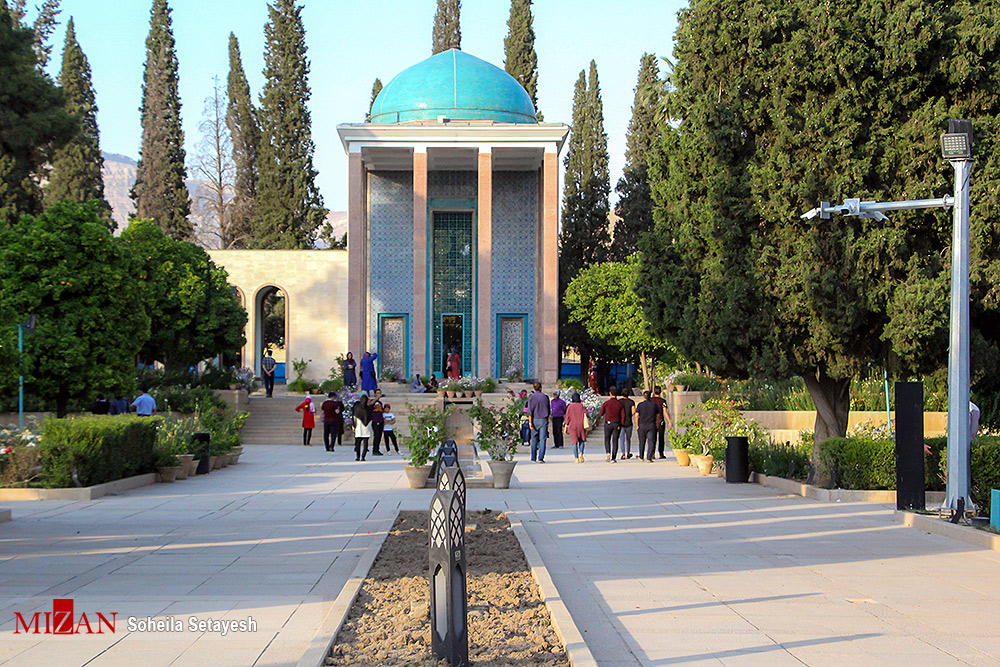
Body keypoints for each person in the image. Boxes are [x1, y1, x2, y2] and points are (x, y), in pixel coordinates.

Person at [526, 381, 550, 463]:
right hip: (543, 419)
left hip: (534, 419)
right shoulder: (545, 397)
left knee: (534, 440)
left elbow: (529, 412)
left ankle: (533, 457)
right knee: (542, 439)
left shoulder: (531, 398)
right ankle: (541, 458)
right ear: (540, 388)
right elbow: (548, 409)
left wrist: (530, 423)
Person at [636, 390, 662, 463]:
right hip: (651, 425)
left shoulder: (640, 405)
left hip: (642, 425)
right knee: (651, 442)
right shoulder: (654, 405)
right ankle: (649, 457)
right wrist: (657, 423)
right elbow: (658, 415)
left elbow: (636, 415)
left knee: (642, 441)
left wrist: (637, 424)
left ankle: (641, 456)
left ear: (643, 397)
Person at [600, 387, 624, 463]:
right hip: (617, 423)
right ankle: (614, 457)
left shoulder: (606, 403)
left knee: (607, 439)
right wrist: (621, 424)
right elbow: (623, 415)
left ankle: (608, 453)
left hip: (608, 423)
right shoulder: (620, 404)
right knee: (615, 440)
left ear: (610, 393)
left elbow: (601, 413)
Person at [564, 392, 589, 463]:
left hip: (573, 426)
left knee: (574, 442)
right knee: (582, 440)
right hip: (581, 425)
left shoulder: (570, 406)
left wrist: (566, 427)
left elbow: (567, 417)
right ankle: (581, 452)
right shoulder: (582, 406)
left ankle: (576, 458)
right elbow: (586, 414)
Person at [651, 386, 673, 459]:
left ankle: (652, 453)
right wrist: (669, 421)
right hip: (660, 421)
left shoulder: (651, 400)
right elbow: (665, 411)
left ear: (654, 392)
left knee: (652, 438)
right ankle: (661, 453)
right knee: (661, 438)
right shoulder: (662, 401)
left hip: (653, 421)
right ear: (660, 392)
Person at [353, 394, 372, 461]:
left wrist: (353, 426)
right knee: (365, 443)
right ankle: (363, 457)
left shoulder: (357, 408)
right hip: (366, 427)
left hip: (359, 427)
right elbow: (371, 417)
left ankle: (357, 457)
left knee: (358, 443)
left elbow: (354, 417)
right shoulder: (368, 409)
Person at [618, 388, 636, 459]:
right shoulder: (631, 402)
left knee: (622, 438)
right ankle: (628, 452)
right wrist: (630, 415)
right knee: (628, 438)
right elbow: (634, 411)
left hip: (621, 422)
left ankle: (623, 453)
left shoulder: (619, 402)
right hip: (629, 422)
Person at [370, 389, 385, 455]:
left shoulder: (380, 403)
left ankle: (377, 449)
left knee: (379, 436)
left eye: (380, 393)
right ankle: (374, 450)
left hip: (380, 420)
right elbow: (370, 404)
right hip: (375, 421)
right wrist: (376, 398)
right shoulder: (372, 401)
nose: (379, 394)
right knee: (376, 435)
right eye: (377, 393)